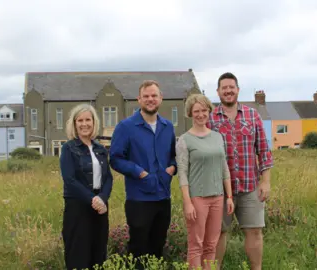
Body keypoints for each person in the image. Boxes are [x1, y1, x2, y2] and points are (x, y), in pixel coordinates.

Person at [208, 72, 274, 270]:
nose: (228, 91)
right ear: (218, 92)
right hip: (219, 189)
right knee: (218, 233)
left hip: (250, 186)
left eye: (231, 87)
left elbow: (263, 149)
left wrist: (266, 181)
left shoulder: (252, 115)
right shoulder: (210, 118)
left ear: (237, 90)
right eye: (224, 88)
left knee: (254, 232)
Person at [109, 80, 177, 269]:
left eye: (154, 95)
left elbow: (174, 155)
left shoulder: (168, 127)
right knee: (138, 250)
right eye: (146, 96)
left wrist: (173, 167)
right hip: (139, 199)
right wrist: (139, 172)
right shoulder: (126, 127)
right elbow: (115, 158)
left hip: (163, 196)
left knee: (158, 247)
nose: (150, 99)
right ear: (139, 99)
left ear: (160, 98)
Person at [175, 94, 235, 270]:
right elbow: (183, 173)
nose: (200, 114)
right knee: (196, 245)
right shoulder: (184, 140)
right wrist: (188, 203)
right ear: (190, 114)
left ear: (209, 111)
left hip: (218, 197)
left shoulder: (218, 137)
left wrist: (229, 197)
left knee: (211, 245)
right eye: (196, 111)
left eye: (203, 110)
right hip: (197, 199)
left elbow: (224, 168)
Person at [59, 103, 114, 270]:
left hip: (100, 208)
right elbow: (70, 179)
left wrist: (102, 199)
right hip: (78, 208)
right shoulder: (68, 148)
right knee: (78, 255)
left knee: (98, 254)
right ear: (74, 124)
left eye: (88, 120)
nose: (84, 124)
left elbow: (108, 178)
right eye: (80, 120)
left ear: (94, 122)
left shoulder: (100, 149)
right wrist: (93, 199)